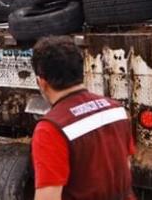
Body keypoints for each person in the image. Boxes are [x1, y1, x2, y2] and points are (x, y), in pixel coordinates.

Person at [30, 36, 135, 200]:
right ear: (82, 72)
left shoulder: (50, 129)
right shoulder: (116, 110)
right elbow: (125, 167)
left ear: (41, 82)